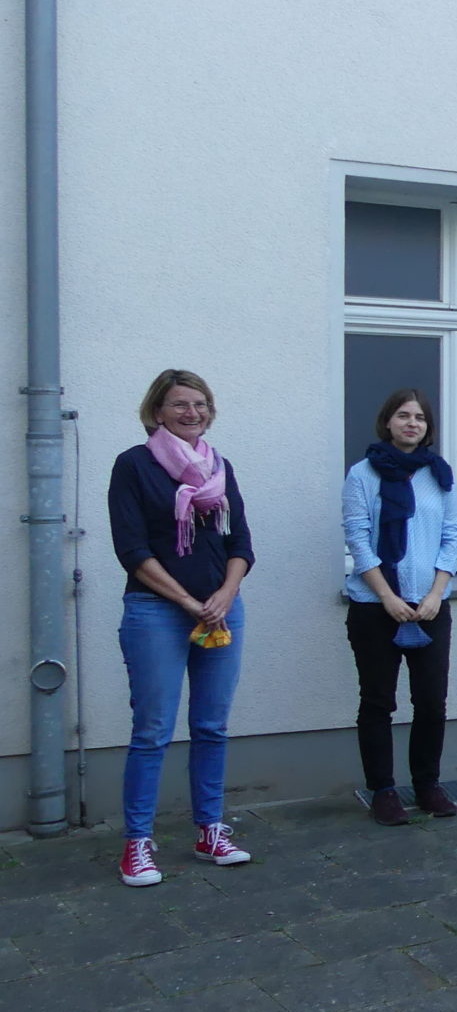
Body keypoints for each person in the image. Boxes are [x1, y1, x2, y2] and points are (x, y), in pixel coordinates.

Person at [107, 369, 255, 886]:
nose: (192, 412)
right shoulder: (134, 465)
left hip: (220, 609)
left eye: (201, 404)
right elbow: (132, 551)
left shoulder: (220, 467)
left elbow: (241, 546)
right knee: (151, 731)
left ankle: (209, 830)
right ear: (157, 411)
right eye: (179, 405)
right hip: (156, 611)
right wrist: (191, 601)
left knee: (212, 727)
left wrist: (223, 596)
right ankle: (138, 845)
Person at [342, 388, 457, 826]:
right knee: (378, 701)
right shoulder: (362, 475)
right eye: (403, 415)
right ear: (387, 422)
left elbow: (452, 535)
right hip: (375, 606)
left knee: (431, 701)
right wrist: (387, 597)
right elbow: (357, 538)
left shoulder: (440, 476)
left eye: (420, 418)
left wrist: (434, 594)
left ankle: (427, 784)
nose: (412, 423)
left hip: (431, 605)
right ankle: (383, 790)